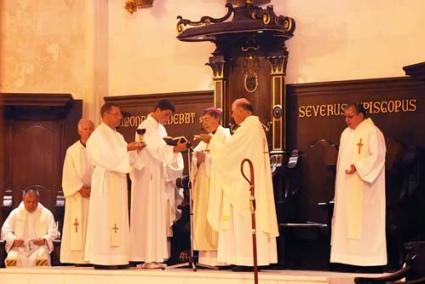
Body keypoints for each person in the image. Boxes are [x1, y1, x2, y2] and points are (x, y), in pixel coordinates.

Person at [210, 98, 279, 270]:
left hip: (245, 184)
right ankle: (248, 259)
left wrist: (213, 141)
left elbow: (228, 152)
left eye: (233, 112)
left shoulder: (248, 128)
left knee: (245, 220)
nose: (232, 116)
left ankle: (248, 260)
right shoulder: (255, 127)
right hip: (248, 181)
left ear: (242, 111)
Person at [84, 103, 144, 268]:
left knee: (118, 218)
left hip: (117, 180)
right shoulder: (97, 136)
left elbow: (123, 156)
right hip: (105, 180)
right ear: (106, 115)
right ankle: (103, 257)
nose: (120, 117)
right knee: (104, 217)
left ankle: (118, 257)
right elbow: (104, 158)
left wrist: (134, 150)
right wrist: (127, 148)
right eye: (116, 114)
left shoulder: (117, 136)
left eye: (119, 114)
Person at [129, 99, 187, 269]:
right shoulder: (146, 126)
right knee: (149, 214)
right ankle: (147, 256)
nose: (167, 119)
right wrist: (175, 149)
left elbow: (162, 148)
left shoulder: (159, 127)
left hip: (157, 175)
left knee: (155, 216)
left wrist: (173, 148)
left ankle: (154, 256)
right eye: (166, 114)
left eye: (170, 116)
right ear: (158, 110)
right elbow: (154, 149)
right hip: (148, 177)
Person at [330, 103, 387, 268]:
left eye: (350, 116)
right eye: (345, 116)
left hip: (365, 188)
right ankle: (346, 260)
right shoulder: (345, 134)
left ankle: (369, 260)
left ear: (361, 115)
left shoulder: (373, 132)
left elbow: (378, 157)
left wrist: (359, 166)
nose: (346, 120)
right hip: (347, 187)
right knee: (346, 221)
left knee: (364, 223)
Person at [191, 107, 231, 266]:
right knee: (203, 218)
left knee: (216, 216)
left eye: (207, 119)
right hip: (203, 184)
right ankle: (205, 257)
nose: (204, 123)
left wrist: (207, 158)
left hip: (216, 184)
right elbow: (194, 160)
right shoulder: (203, 140)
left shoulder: (225, 136)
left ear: (217, 119)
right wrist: (198, 160)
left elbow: (228, 158)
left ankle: (219, 259)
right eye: (203, 120)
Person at [60, 119, 95, 264]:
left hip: (95, 193)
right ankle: (77, 257)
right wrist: (80, 188)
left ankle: (93, 255)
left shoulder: (98, 148)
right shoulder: (72, 150)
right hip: (77, 195)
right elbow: (68, 173)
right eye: (85, 129)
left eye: (90, 129)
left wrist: (96, 187)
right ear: (79, 131)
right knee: (77, 225)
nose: (88, 131)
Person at [1, 188, 60, 267]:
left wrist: (44, 240)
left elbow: (54, 232)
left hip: (39, 249)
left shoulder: (46, 214)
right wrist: (14, 240)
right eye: (28, 202)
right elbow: (5, 231)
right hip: (19, 249)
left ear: (38, 200)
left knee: (42, 257)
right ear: (23, 199)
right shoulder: (15, 213)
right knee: (12, 258)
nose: (31, 205)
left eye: (34, 202)